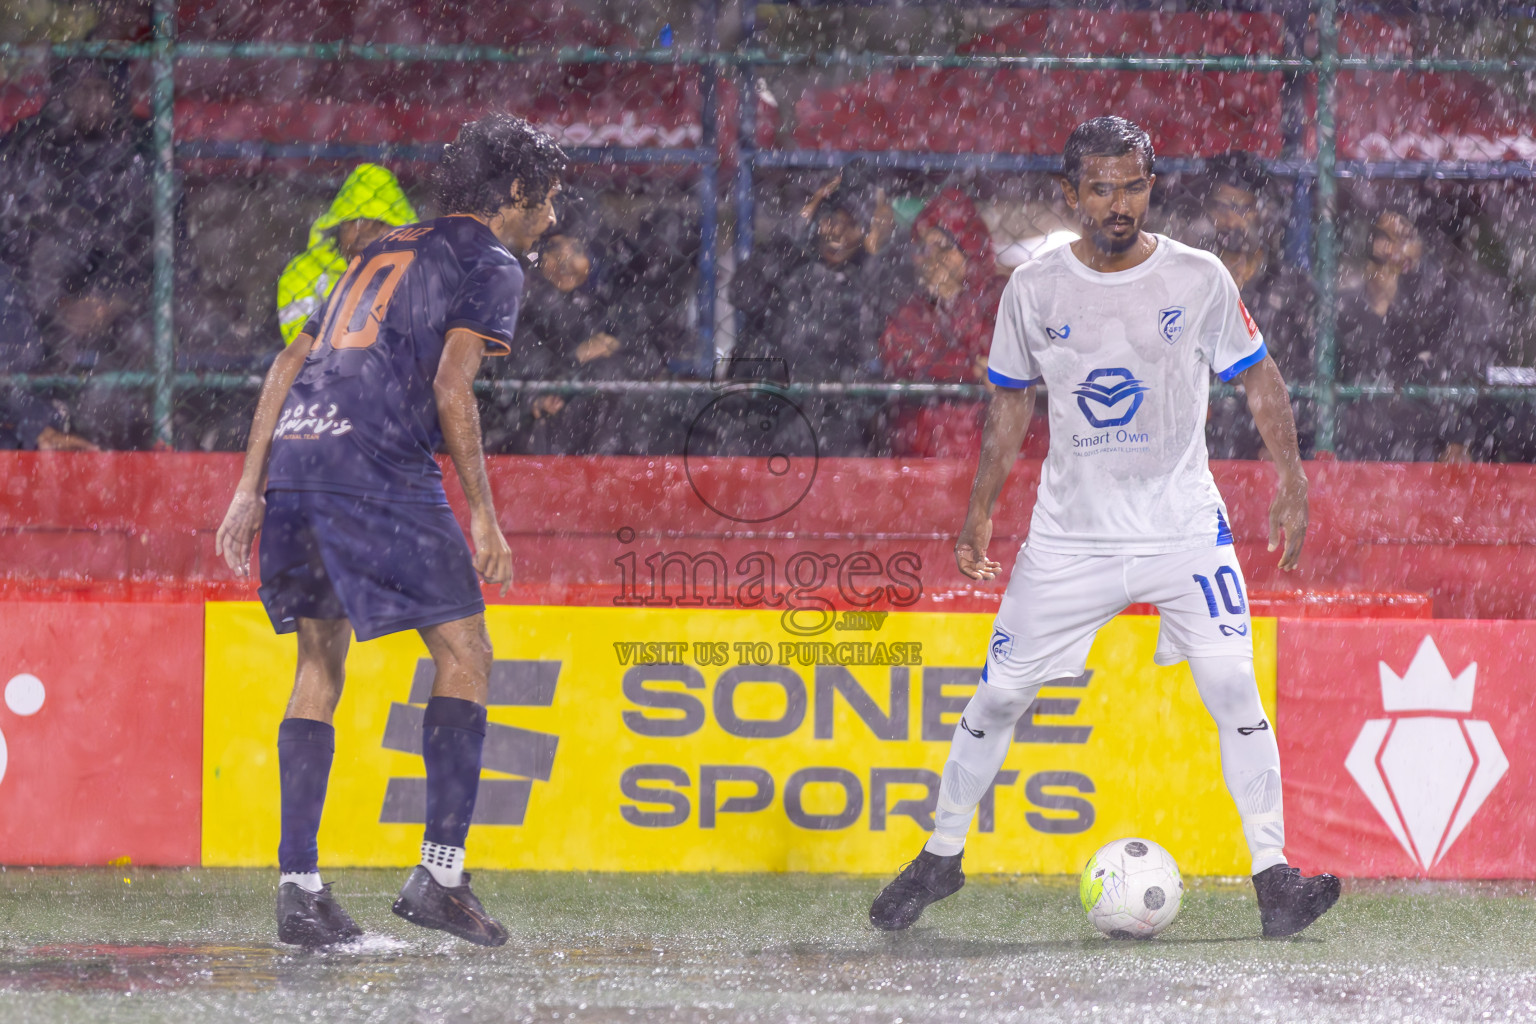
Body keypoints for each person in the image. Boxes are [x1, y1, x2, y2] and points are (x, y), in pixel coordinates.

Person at [869, 117, 1339, 939]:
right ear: (1071, 194)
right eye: (1099, 188)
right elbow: (1011, 397)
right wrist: (982, 505)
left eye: (1131, 186)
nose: (1116, 203)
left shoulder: (1198, 278)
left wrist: (1291, 481)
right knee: (1002, 691)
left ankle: (1275, 882)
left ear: (1150, 187)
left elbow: (1258, 377)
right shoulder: (1035, 289)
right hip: (1068, 537)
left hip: (1185, 528)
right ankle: (942, 857)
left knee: (1234, 688)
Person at [214, 114, 566, 948]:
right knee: (466, 655)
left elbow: (286, 364)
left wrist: (248, 488)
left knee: (318, 663)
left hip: (300, 461)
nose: (552, 218)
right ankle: (441, 875)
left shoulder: (381, 246)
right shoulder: (491, 260)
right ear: (513, 194)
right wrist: (483, 510)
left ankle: (299, 888)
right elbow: (453, 384)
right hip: (378, 468)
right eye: (547, 201)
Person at [0, 58, 154, 448]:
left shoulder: (144, 154)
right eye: (82, 88)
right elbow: (16, 250)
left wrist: (111, 301)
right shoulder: (26, 148)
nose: (93, 101)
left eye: (103, 89)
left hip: (116, 319)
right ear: (60, 94)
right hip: (29, 311)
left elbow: (171, 263)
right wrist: (55, 302)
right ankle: (42, 429)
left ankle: (121, 447)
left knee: (156, 337)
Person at [731, 167, 901, 455]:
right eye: (831, 219)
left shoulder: (868, 275)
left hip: (836, 423)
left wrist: (875, 251)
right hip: (770, 411)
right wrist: (800, 223)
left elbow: (878, 328)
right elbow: (742, 292)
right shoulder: (790, 260)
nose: (838, 232)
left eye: (854, 225)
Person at [1335, 207, 1506, 462]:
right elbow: (1329, 377)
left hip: (1425, 448)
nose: (1391, 247)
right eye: (1383, 237)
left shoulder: (1446, 301)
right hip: (1363, 451)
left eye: (1404, 236)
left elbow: (1473, 368)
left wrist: (1460, 437)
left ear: (1420, 247)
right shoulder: (1347, 307)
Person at [1198, 152, 1316, 460]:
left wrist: (1285, 440)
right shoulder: (1196, 279)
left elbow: (1309, 372)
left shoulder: (1292, 288)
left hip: (1266, 443)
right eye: (1219, 207)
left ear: (1260, 212)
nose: (1228, 219)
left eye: (1238, 208)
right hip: (1202, 442)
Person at [878, 188, 1007, 458]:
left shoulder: (1001, 299)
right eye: (924, 248)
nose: (932, 258)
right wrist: (972, 369)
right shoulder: (910, 311)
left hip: (992, 452)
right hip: (920, 455)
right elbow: (901, 360)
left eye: (945, 247)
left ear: (971, 252)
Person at [275, 163, 418, 346]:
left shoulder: (421, 273)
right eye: (356, 222)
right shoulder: (304, 271)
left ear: (399, 232)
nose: (364, 233)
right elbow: (301, 348)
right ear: (338, 227)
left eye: (377, 224)